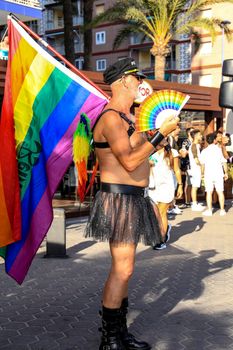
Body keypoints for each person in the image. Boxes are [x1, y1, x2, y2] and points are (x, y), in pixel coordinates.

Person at [85, 57, 179, 350]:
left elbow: (139, 151)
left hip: (133, 198)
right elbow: (127, 161)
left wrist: (159, 137)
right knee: (122, 270)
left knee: (126, 269)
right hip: (119, 198)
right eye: (137, 78)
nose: (140, 82)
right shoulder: (112, 117)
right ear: (125, 80)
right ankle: (109, 340)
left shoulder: (127, 117)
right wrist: (161, 133)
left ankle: (120, 334)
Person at [149, 141, 183, 250]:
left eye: (164, 138)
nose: (161, 140)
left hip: (167, 186)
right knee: (156, 214)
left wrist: (180, 185)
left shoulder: (172, 152)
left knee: (161, 212)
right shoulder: (150, 153)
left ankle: (161, 240)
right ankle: (165, 229)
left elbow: (177, 170)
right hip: (153, 187)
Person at [200, 132, 228, 216]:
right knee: (220, 191)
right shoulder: (218, 150)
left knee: (209, 192)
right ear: (215, 140)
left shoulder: (204, 151)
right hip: (219, 173)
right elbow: (224, 162)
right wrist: (226, 173)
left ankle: (209, 210)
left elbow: (202, 164)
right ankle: (222, 210)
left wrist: (202, 174)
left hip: (208, 174)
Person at [189, 129, 205, 211]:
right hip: (195, 169)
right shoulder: (194, 145)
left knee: (195, 186)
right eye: (199, 135)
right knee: (194, 187)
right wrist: (201, 165)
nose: (201, 136)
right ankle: (194, 204)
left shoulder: (196, 145)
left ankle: (195, 203)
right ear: (195, 136)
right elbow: (196, 158)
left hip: (196, 169)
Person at [179, 127, 193, 208]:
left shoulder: (195, 142)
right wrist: (190, 152)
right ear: (188, 133)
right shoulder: (186, 142)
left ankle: (190, 200)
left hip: (193, 165)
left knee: (191, 184)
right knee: (187, 183)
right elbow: (183, 154)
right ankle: (187, 201)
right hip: (187, 165)